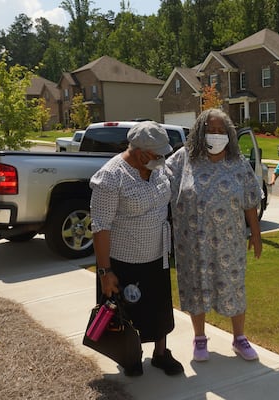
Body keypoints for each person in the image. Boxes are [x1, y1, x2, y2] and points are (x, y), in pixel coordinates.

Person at [166, 108, 262, 362]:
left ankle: (240, 339)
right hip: (193, 241)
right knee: (196, 285)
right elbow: (158, 178)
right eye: (211, 130)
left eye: (221, 130)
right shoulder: (184, 159)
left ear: (229, 133)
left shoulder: (237, 162)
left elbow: (250, 200)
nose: (216, 135)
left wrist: (256, 233)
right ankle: (199, 339)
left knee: (234, 287)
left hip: (230, 241)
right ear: (200, 131)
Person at [89, 121, 183, 377]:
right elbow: (100, 227)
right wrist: (105, 271)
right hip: (125, 260)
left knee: (159, 308)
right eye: (157, 155)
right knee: (128, 312)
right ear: (140, 152)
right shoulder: (111, 176)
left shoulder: (156, 168)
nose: (162, 159)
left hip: (157, 254)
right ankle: (130, 355)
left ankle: (161, 354)